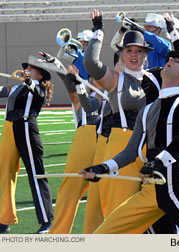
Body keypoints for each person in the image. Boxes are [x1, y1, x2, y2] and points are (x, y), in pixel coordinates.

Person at [79, 47, 179, 234]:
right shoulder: (146, 110)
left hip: (175, 185)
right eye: (169, 58)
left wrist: (156, 162)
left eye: (177, 62)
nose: (170, 60)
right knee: (103, 235)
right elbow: (130, 152)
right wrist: (103, 168)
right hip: (149, 190)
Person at [36, 56, 105, 234]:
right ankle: (58, 234)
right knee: (69, 192)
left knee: (99, 198)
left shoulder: (114, 99)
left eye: (99, 78)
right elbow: (70, 84)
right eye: (93, 78)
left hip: (106, 146)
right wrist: (57, 65)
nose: (96, 81)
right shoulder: (82, 100)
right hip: (83, 144)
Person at [0, 59, 54, 234]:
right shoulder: (16, 87)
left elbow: (39, 95)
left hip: (25, 128)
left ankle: (47, 220)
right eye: (28, 68)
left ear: (40, 74)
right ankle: (5, 219)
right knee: (5, 174)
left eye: (32, 68)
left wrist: (28, 81)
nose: (28, 69)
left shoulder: (40, 87)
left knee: (35, 174)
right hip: (9, 128)